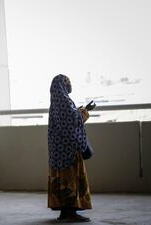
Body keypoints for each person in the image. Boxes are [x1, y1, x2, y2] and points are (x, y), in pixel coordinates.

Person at [47, 74, 92, 222]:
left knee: (61, 180)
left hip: (58, 151)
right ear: (62, 85)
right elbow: (72, 121)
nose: (70, 85)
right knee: (71, 179)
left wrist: (78, 111)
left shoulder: (55, 102)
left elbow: (67, 119)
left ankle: (64, 213)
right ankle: (71, 212)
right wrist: (84, 113)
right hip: (69, 150)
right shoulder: (64, 101)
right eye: (68, 82)